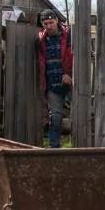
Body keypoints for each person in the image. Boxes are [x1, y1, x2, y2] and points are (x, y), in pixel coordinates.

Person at [36, 9, 73, 147]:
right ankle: (54, 148)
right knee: (55, 117)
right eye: (46, 23)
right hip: (52, 84)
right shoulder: (41, 40)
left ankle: (79, 146)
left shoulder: (69, 35)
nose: (49, 26)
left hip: (71, 83)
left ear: (57, 21)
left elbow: (75, 57)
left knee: (78, 115)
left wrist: (70, 75)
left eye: (51, 22)